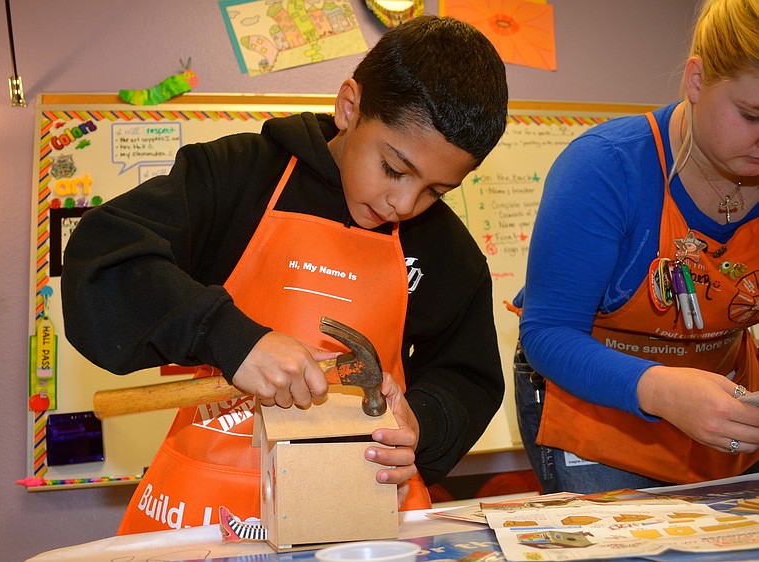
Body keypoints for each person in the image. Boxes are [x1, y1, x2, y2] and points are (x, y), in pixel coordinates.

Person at [62, 15, 507, 535]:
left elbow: (467, 376)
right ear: (349, 107)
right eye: (394, 168)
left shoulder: (446, 249)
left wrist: (420, 423)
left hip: (361, 511)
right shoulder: (238, 175)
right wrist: (232, 338)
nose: (404, 203)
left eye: (436, 190)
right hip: (208, 513)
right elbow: (105, 254)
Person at [512, 0, 759, 495]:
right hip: (597, 407)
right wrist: (660, 388)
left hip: (723, 405)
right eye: (752, 115)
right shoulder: (605, 169)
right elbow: (549, 332)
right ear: (696, 80)